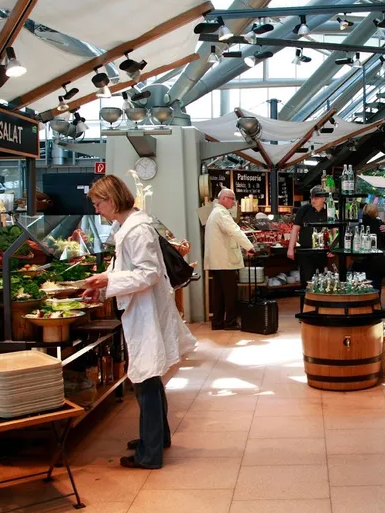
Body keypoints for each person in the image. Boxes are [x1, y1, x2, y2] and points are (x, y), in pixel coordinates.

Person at [82, 175, 196, 470]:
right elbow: (126, 268)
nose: (97, 210)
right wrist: (103, 284)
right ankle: (159, 437)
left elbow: (149, 273)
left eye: (97, 204)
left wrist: (108, 280)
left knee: (146, 377)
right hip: (141, 309)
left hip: (146, 311)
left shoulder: (136, 229)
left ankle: (150, 453)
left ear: (111, 199)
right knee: (150, 374)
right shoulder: (130, 226)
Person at [204, 188, 255, 330]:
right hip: (225, 261)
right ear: (224, 198)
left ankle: (217, 322)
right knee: (230, 293)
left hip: (217, 261)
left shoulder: (215, 213)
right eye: (232, 199)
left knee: (219, 294)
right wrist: (249, 247)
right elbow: (235, 230)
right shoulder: (221, 213)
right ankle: (230, 322)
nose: (234, 202)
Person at [288, 186, 331, 308]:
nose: (313, 200)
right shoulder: (304, 210)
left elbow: (334, 230)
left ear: (324, 198)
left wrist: (333, 248)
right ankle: (305, 310)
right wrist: (290, 248)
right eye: (312, 197)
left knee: (322, 281)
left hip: (322, 251)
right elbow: (295, 229)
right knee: (306, 282)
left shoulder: (329, 211)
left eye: (316, 198)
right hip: (305, 251)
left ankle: (320, 308)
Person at [352, 203, 385, 291]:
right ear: (376, 212)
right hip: (377, 260)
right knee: (376, 283)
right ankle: (376, 301)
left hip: (362, 259)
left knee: (362, 284)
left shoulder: (359, 226)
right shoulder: (381, 226)